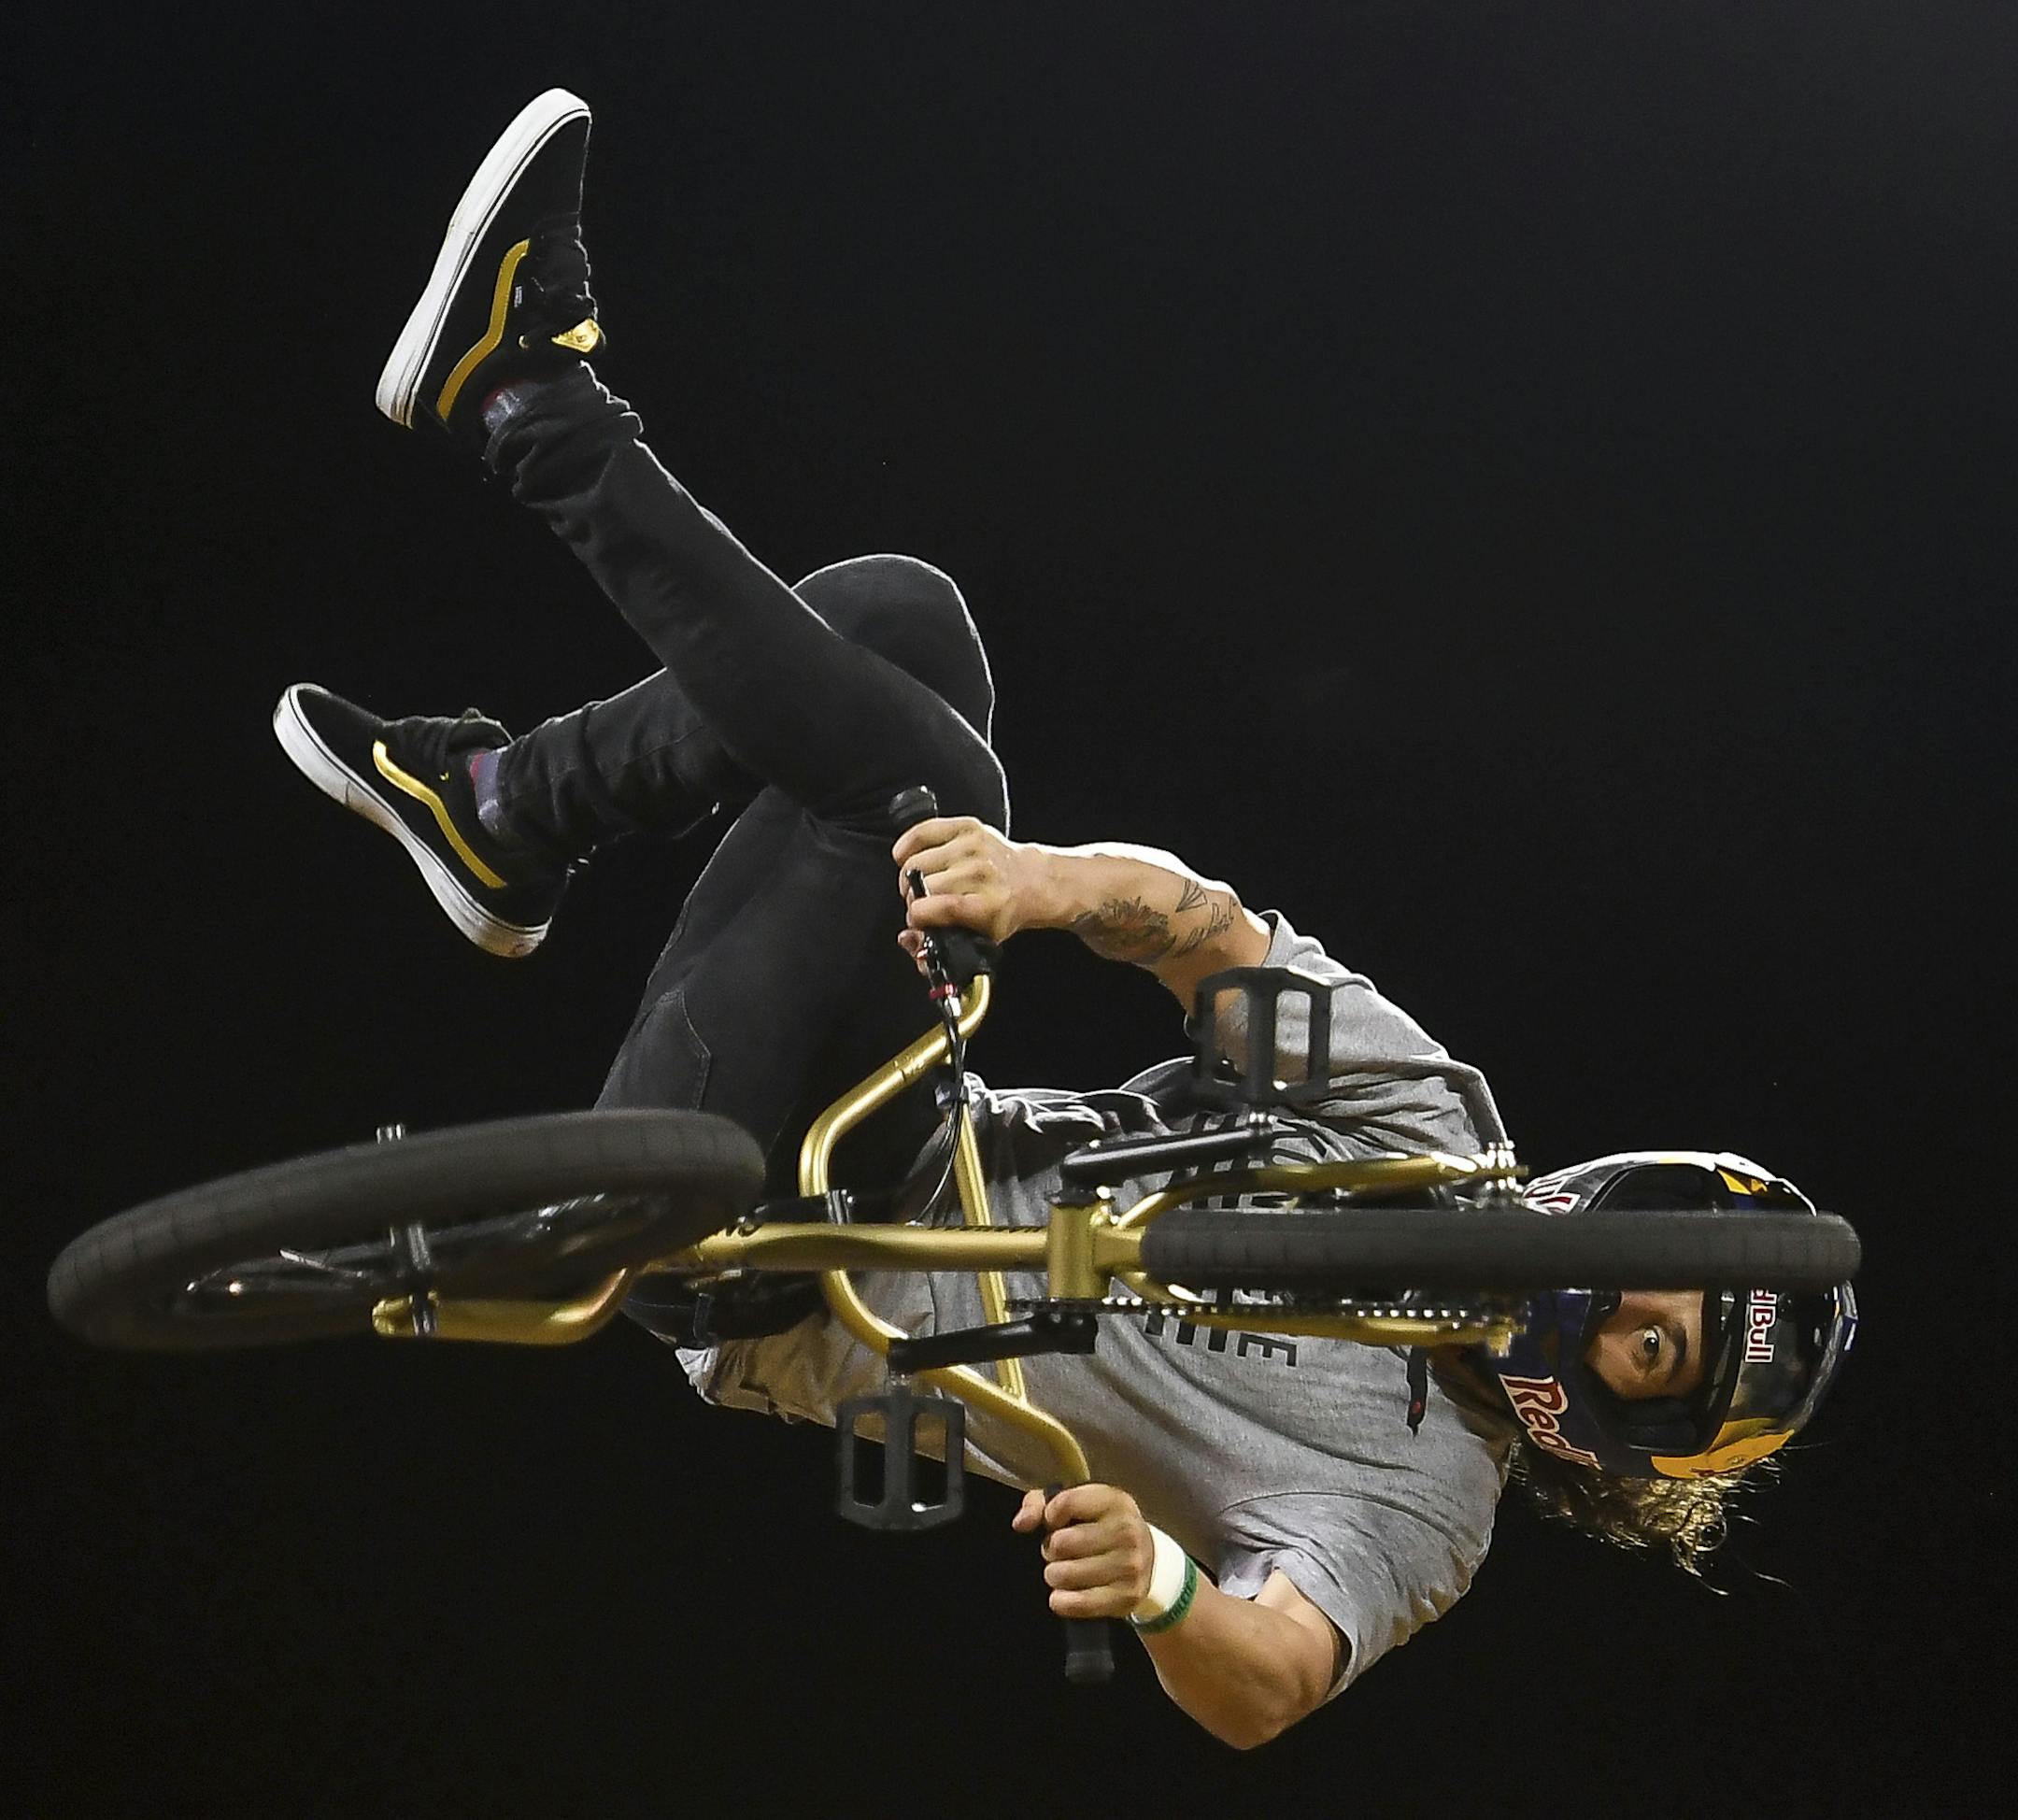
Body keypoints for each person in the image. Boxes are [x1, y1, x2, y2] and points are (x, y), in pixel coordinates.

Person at [279, 91, 1855, 1748]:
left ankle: (525, 403)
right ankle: (509, 808)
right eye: (1654, 1270)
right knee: (904, 624)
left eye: (1652, 1351)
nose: (1615, 1302)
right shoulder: (1424, 1128)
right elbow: (1200, 933)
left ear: (1616, 1423)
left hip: (776, 1273)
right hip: (895, 1112)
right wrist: (1035, 888)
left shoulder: (1424, 1501)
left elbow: (1269, 1683)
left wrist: (1166, 1585)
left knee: (911, 771)